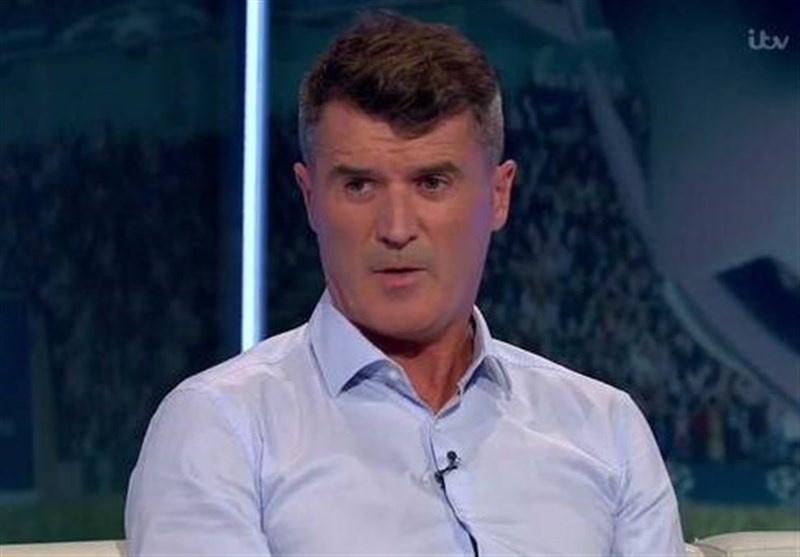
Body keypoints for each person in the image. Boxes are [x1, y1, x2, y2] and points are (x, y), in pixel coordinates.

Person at [126, 11, 685, 556]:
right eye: (359, 186)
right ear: (310, 198)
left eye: (432, 182)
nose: (396, 228)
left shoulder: (605, 429)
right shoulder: (222, 428)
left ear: (498, 195)